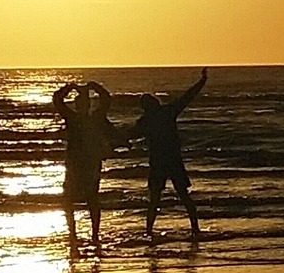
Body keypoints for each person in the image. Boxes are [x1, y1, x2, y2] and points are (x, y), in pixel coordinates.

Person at [131, 68, 207, 240]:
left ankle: (149, 231)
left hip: (160, 162)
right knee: (180, 196)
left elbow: (128, 135)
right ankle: (194, 228)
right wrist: (201, 82)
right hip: (171, 161)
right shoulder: (166, 113)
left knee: (156, 198)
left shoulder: (146, 121)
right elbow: (187, 97)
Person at [53, 80, 115, 255]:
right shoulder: (87, 118)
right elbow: (105, 98)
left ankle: (86, 235)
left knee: (85, 200)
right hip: (80, 164)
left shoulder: (79, 118)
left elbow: (58, 100)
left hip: (83, 163)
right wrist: (92, 87)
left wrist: (72, 88)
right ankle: (80, 234)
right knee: (82, 200)